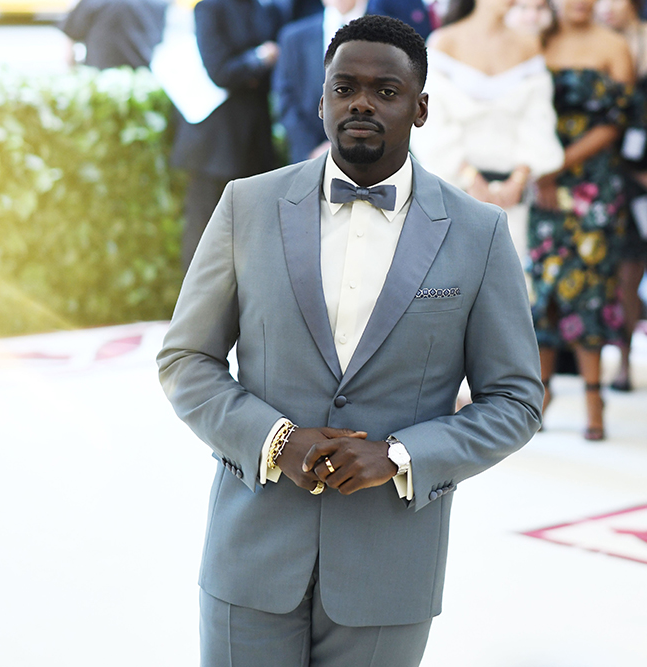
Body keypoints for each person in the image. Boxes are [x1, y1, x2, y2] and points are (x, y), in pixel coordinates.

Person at [157, 15, 543, 666]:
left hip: (388, 573)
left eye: (386, 91)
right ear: (321, 99)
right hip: (250, 557)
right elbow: (185, 359)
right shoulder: (246, 206)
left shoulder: (477, 233)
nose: (361, 102)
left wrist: (400, 457)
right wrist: (275, 440)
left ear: (421, 108)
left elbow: (516, 399)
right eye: (345, 87)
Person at [529, 0, 635, 440]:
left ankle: (595, 397)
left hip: (595, 185)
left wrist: (559, 163)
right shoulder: (537, 41)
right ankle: (540, 395)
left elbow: (617, 122)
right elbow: (528, 114)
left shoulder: (614, 46)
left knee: (590, 291)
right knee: (543, 291)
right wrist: (542, 170)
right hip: (543, 183)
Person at [411, 0, 565, 264]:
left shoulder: (528, 45)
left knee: (506, 284)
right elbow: (430, 122)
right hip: (452, 188)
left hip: (511, 196)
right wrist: (470, 178)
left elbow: (538, 120)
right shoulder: (443, 41)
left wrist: (518, 180)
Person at [169, 0, 284, 272]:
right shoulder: (209, 7)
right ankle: (199, 311)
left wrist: (250, 68)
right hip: (215, 142)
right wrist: (260, 59)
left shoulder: (262, 7)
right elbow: (220, 71)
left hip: (254, 137)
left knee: (253, 234)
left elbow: (277, 68)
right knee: (205, 233)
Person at [595, 0, 647, 392]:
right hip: (603, 169)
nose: (605, 7)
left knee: (640, 270)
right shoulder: (592, 40)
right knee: (616, 272)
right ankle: (617, 358)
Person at [274, 0, 368, 164]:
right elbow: (286, 100)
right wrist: (311, 150)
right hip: (311, 159)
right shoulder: (294, 38)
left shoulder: (391, 36)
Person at [60, 0, 168, 69]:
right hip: (141, 80)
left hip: (99, 79)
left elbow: (70, 39)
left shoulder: (93, 2)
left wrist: (73, 69)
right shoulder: (158, 4)